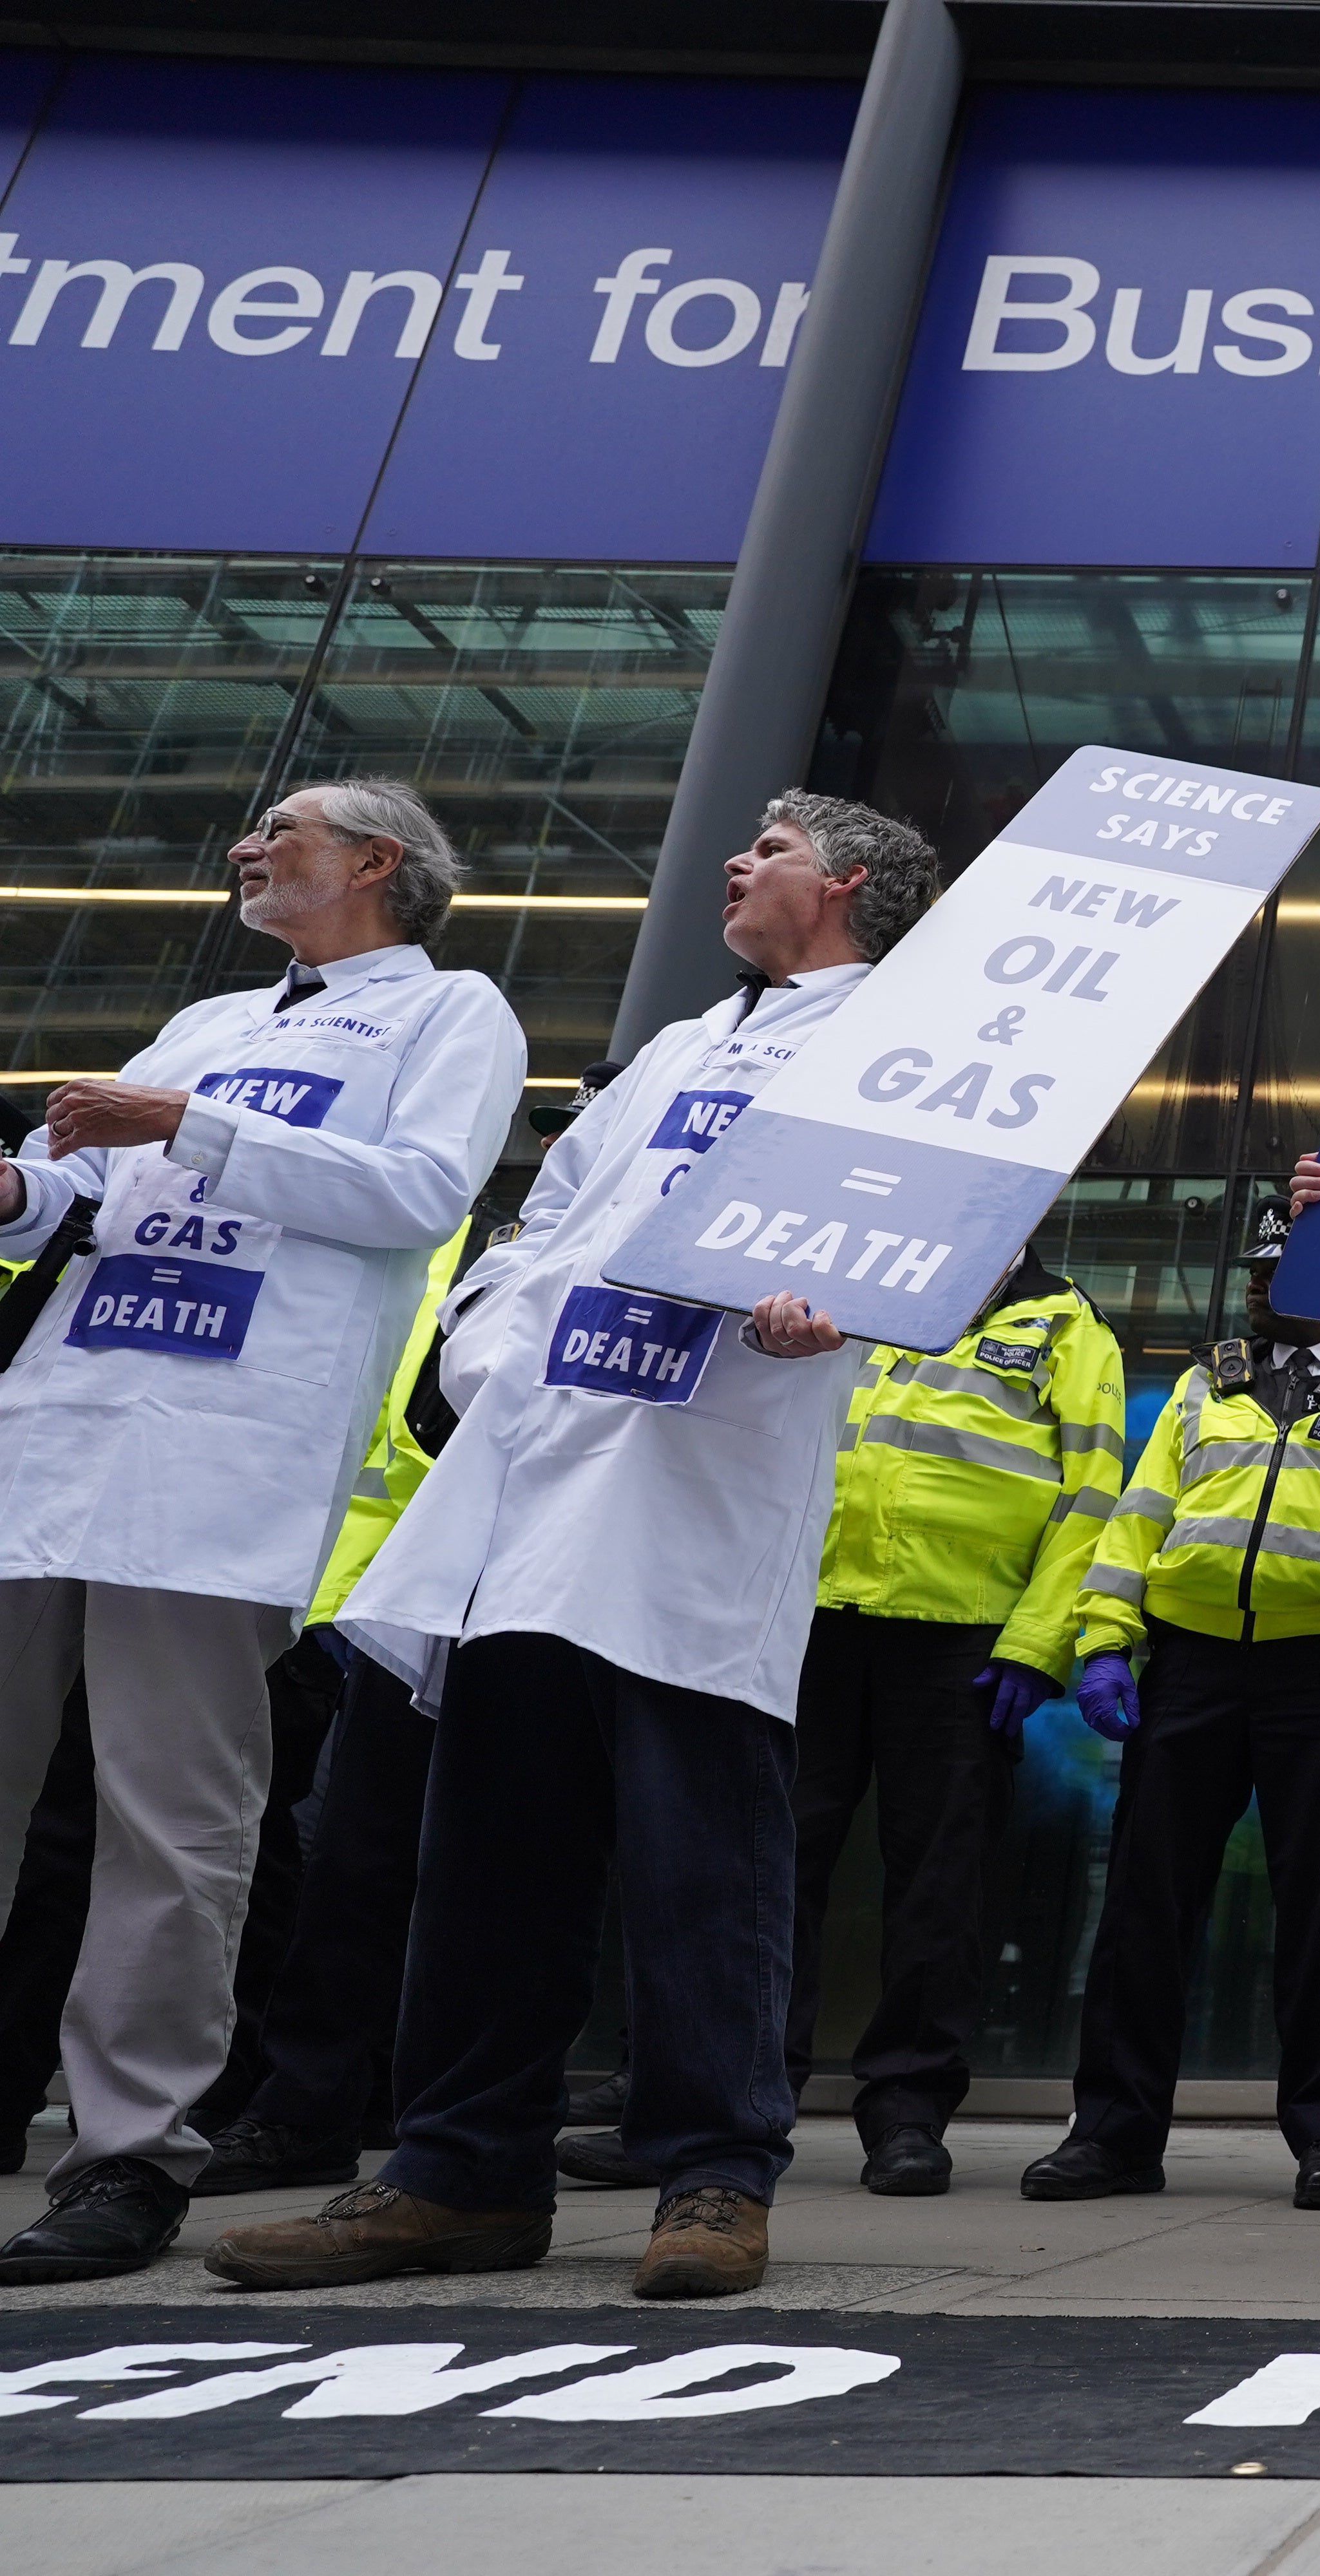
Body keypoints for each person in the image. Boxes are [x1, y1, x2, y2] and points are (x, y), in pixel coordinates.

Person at [206, 790, 937, 2302]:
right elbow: (550, 1221)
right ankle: (462, 2170)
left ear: (850, 885)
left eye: (775, 850)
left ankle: (716, 2175)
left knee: (700, 1851)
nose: (739, 863)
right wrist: (483, 1342)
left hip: (696, 1481)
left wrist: (840, 1305)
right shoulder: (680, 1044)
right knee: (486, 1841)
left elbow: (938, 1224)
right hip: (532, 1470)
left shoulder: (907, 1042)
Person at [0, 778, 523, 2286]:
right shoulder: (209, 1022)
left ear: (378, 863)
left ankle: (129, 2154)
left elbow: (420, 1193)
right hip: (54, 1429)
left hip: (218, 1459)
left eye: (282, 831)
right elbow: (85, 1197)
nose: (247, 845)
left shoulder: (451, 1014)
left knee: (172, 1824)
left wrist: (185, 1123)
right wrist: (22, 1186)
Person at [1022, 1198, 1320, 2211]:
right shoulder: (1199, 1385)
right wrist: (1105, 1644)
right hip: (1193, 1665)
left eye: (1276, 1272)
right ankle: (1116, 2135)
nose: (1255, 1286)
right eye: (1253, 1270)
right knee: (1142, 1906)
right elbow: (1137, 1523)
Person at [781, 1247, 1127, 2197]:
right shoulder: (863, 1283)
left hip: (962, 1635)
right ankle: (732, 2096)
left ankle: (907, 2113)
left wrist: (1036, 1642)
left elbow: (1091, 1497)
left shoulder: (1065, 1324)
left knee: (942, 1885)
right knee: (769, 1865)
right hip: (812, 1612)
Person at [189, 1229, 472, 2194]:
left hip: (480, 1579)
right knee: (345, 1857)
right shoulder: (434, 1239)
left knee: (481, 1871)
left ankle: (413, 2105)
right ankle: (308, 2103)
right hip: (358, 1594)